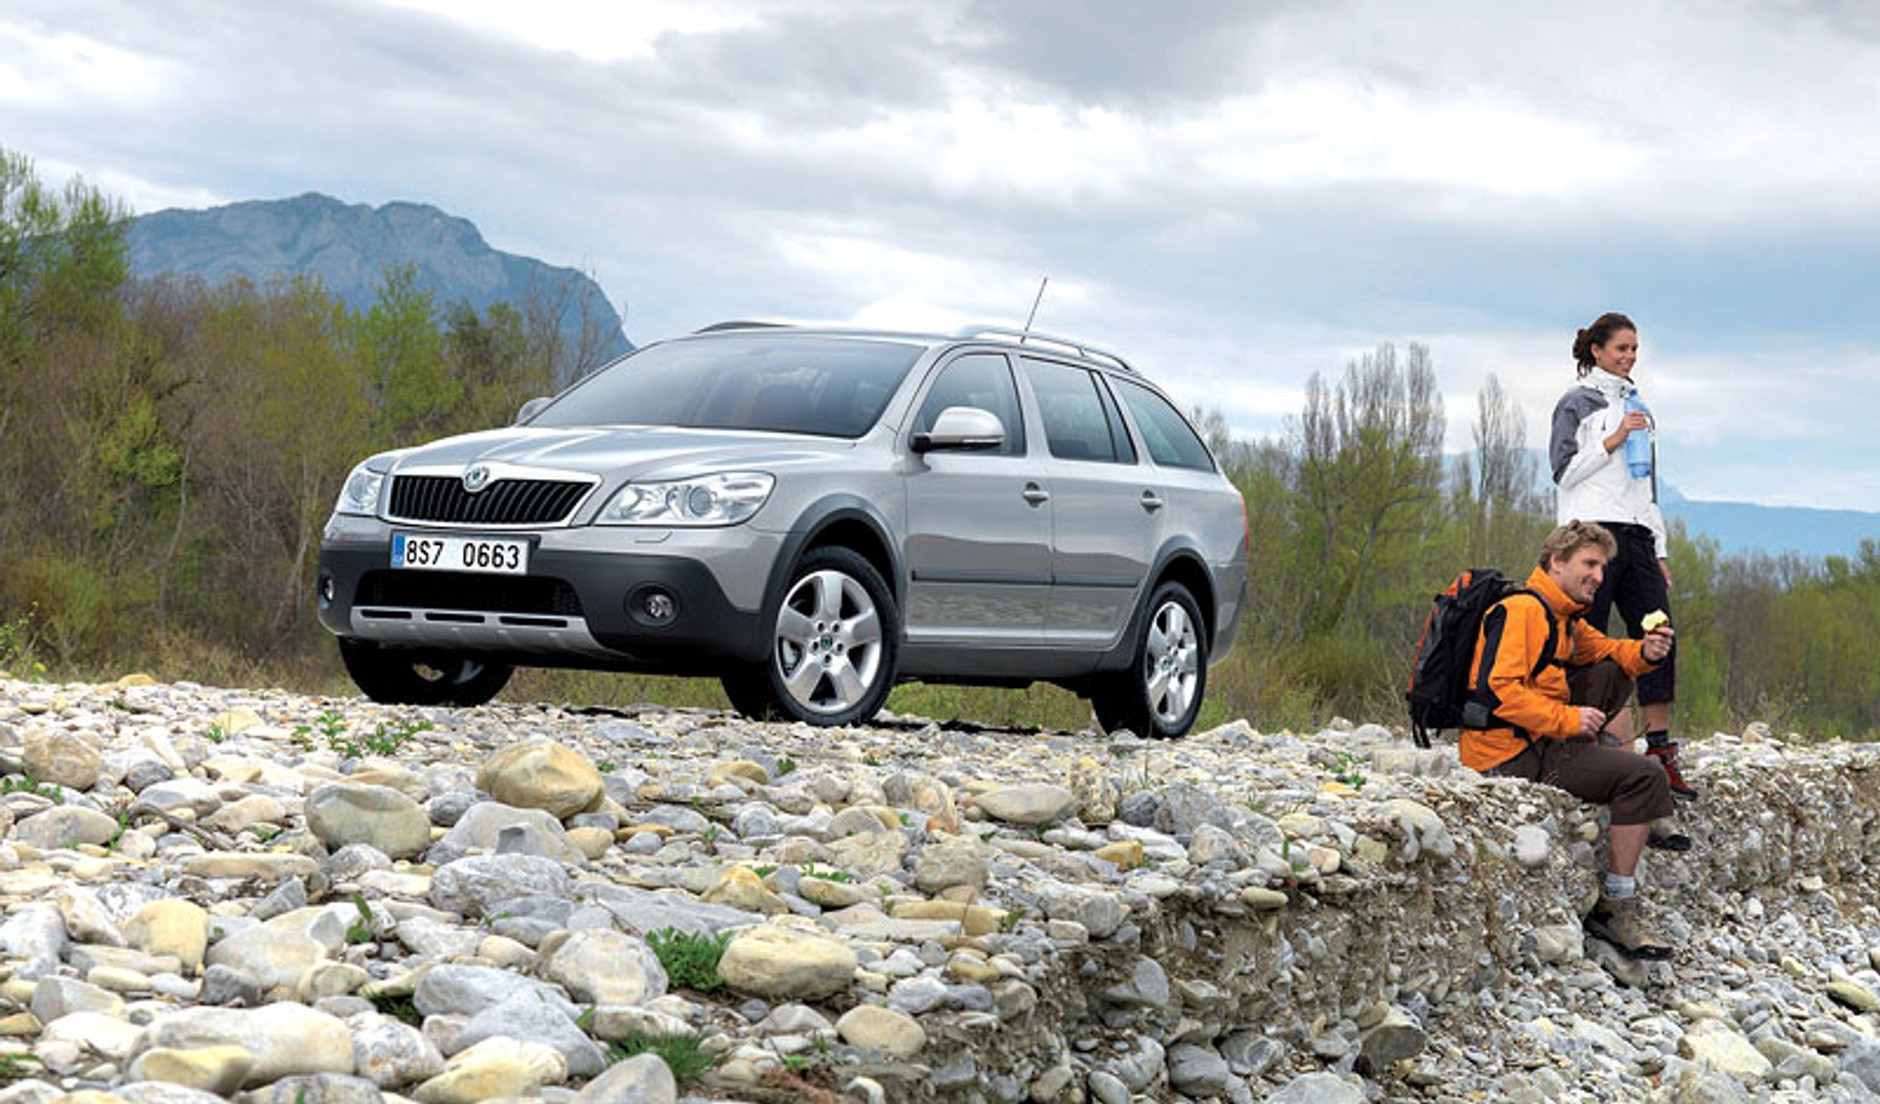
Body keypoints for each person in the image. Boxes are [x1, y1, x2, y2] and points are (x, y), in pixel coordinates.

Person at [1460, 521, 1678, 959]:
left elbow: (1611, 652)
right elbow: (1499, 691)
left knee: (1612, 668)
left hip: (1542, 741)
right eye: (1589, 564)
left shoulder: (1564, 617)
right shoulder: (1524, 611)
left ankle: (1590, 759)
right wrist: (1567, 720)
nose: (1598, 576)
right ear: (1556, 562)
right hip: (1511, 755)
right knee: (1646, 777)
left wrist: (1646, 652)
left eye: (1603, 567)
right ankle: (1618, 904)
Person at [1549, 312, 1695, 800]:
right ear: (1597, 351)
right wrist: (1612, 440)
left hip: (1638, 534)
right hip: (1591, 530)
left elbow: (1645, 485)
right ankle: (1589, 739)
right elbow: (1563, 471)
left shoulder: (1642, 409)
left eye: (1634, 349)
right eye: (1621, 349)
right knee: (1587, 640)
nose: (1630, 357)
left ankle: (1660, 750)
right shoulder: (1576, 403)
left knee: (1658, 636)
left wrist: (1660, 549)